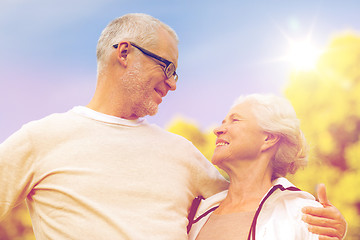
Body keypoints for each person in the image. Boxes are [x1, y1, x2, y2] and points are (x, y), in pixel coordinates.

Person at [0, 14, 346, 239]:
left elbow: (255, 201)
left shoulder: (181, 152)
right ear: (124, 54)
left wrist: (327, 224)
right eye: (167, 68)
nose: (173, 84)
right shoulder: (40, 140)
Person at [187, 94, 346, 240]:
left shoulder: (305, 216)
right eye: (223, 122)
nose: (217, 130)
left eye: (235, 120)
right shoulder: (193, 212)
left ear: (268, 138)